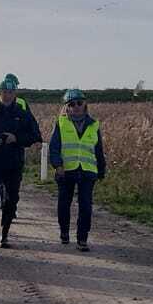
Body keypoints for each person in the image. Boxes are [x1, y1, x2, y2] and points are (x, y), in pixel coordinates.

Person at [0, 74, 42, 248]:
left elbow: (35, 136)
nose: (7, 95)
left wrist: (16, 138)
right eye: (3, 91)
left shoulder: (22, 113)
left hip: (14, 163)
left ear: (15, 93)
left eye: (10, 91)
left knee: (11, 200)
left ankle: (4, 234)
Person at [48, 88, 107, 251]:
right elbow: (54, 147)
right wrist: (57, 165)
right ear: (67, 107)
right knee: (64, 204)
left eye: (79, 103)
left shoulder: (94, 125)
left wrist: (101, 170)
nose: (76, 107)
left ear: (85, 104)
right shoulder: (61, 123)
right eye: (72, 104)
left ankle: (82, 238)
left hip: (88, 171)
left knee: (86, 206)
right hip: (66, 171)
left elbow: (98, 150)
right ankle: (64, 233)